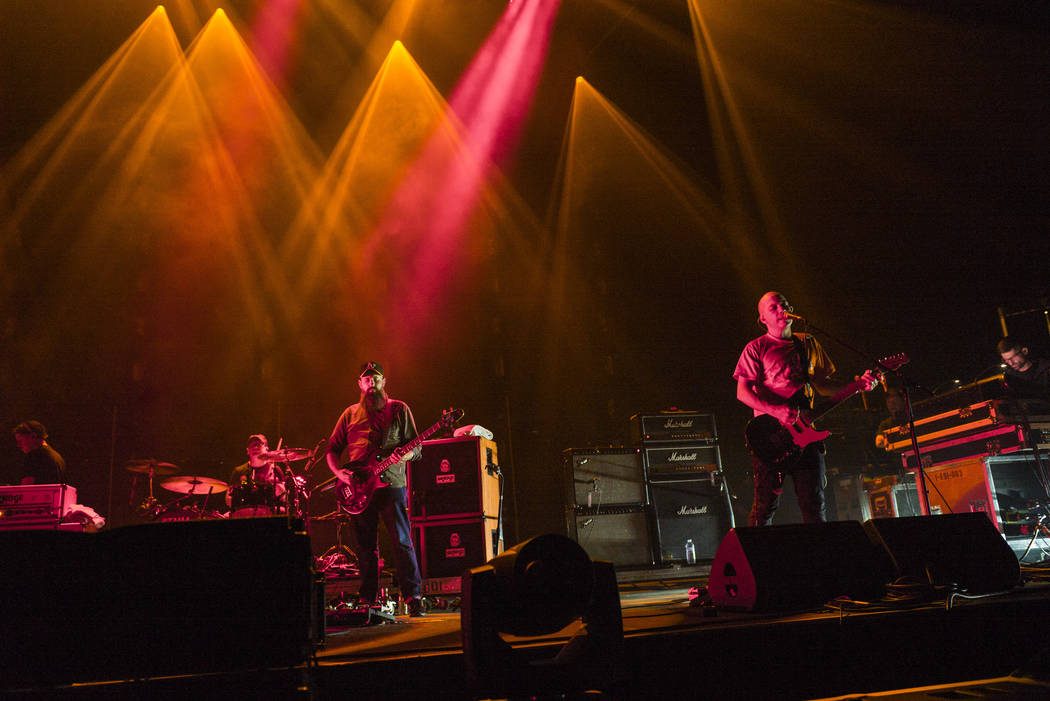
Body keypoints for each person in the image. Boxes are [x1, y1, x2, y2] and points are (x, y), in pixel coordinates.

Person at [734, 291, 879, 525]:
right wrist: (777, 411)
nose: (782, 309)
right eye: (774, 308)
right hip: (772, 439)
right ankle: (755, 557)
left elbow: (823, 386)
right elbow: (743, 393)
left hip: (806, 435)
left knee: (814, 504)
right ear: (762, 319)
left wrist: (857, 385)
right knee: (765, 507)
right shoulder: (755, 348)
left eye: (785, 305)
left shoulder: (808, 342)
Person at [325, 361, 426, 617]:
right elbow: (332, 450)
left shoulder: (399, 409)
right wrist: (340, 474)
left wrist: (403, 456)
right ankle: (367, 598)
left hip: (391, 485)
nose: (372, 384)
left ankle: (413, 597)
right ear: (360, 384)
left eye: (376, 379)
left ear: (384, 382)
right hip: (358, 489)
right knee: (365, 547)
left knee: (402, 542)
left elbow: (417, 450)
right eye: (367, 380)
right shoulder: (349, 414)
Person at [227, 434, 285, 516]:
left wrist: (277, 487)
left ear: (267, 449)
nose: (255, 447)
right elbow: (228, 499)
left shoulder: (275, 470)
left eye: (259, 444)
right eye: (252, 445)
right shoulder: (238, 471)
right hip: (244, 514)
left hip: (269, 514)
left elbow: (283, 498)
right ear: (247, 450)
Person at [13, 420, 67, 485]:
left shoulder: (34, 455)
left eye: (20, 440)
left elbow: (25, 489)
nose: (18, 445)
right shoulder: (58, 457)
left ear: (33, 436)